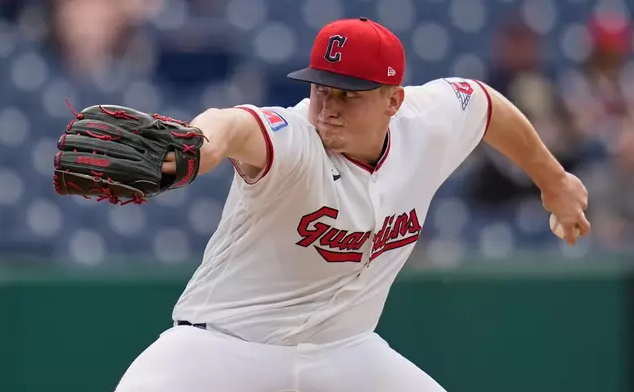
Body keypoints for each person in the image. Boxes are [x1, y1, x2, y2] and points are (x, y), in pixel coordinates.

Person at [114, 18, 590, 392]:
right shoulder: (296, 140)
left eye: (349, 93)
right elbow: (233, 126)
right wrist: (198, 147)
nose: (329, 106)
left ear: (393, 100)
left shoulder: (428, 122)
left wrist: (554, 181)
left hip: (344, 350)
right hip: (223, 346)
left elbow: (486, 106)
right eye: (322, 88)